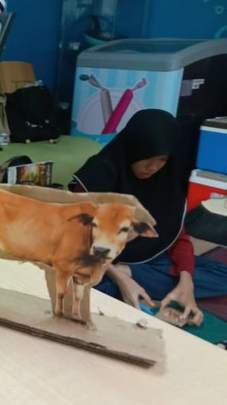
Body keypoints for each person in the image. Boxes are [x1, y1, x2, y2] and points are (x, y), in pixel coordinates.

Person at [71, 109, 227, 326]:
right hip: (96, 260)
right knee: (82, 282)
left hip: (147, 261)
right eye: (147, 158)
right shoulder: (98, 174)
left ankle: (133, 278)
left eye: (162, 159)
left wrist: (187, 283)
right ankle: (126, 282)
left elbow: (177, 237)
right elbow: (78, 239)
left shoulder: (167, 178)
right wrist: (120, 278)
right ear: (135, 147)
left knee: (221, 275)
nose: (153, 167)